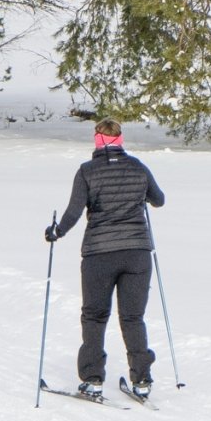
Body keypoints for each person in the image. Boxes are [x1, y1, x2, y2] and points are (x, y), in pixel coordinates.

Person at [44, 118, 165, 400]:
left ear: (97, 139)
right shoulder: (138, 167)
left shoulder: (87, 171)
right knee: (133, 317)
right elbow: (158, 199)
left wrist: (56, 232)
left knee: (95, 316)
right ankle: (142, 380)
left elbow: (74, 212)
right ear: (120, 139)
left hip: (99, 254)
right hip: (137, 254)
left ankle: (93, 378)